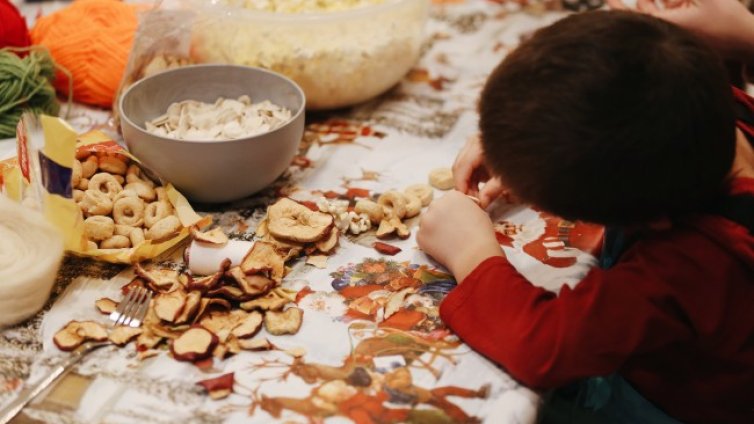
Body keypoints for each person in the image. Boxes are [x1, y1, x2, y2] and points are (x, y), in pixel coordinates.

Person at [416, 3, 754, 423]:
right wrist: (523, 145)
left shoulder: (692, 262)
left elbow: (541, 346)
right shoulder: (710, 106)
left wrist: (470, 251)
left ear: (649, 220)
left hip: (681, 403)